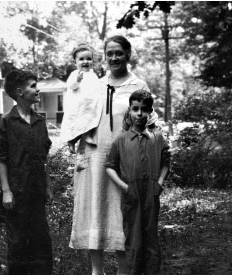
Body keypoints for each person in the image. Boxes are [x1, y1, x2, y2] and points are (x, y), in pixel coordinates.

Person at [69, 35, 158, 275]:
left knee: (123, 213)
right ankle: (96, 270)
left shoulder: (139, 86)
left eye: (119, 52)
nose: (114, 58)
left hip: (124, 159)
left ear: (128, 55)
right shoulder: (93, 84)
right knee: (94, 209)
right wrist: (74, 139)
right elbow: (77, 113)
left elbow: (149, 124)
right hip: (94, 155)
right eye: (109, 53)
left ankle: (123, 270)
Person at [0, 69, 53, 275]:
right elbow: (1, 158)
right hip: (17, 193)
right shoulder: (7, 122)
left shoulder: (40, 122)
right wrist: (6, 190)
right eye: (33, 86)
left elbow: (44, 157)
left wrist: (48, 186)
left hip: (37, 192)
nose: (38, 89)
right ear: (20, 92)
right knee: (18, 243)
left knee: (42, 242)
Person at [105, 90, 170, 275]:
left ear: (150, 111)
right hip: (131, 194)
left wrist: (159, 183)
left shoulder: (157, 137)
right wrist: (124, 186)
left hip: (151, 192)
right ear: (130, 111)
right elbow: (109, 166)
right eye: (135, 109)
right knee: (133, 238)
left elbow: (166, 162)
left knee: (150, 236)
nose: (139, 114)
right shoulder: (121, 139)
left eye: (143, 109)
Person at [60, 43, 103, 160]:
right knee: (79, 124)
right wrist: (77, 81)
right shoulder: (75, 74)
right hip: (79, 105)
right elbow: (71, 86)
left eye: (89, 59)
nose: (86, 62)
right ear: (75, 62)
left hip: (90, 105)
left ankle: (88, 136)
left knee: (92, 121)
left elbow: (97, 88)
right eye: (81, 59)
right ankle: (72, 140)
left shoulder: (93, 75)